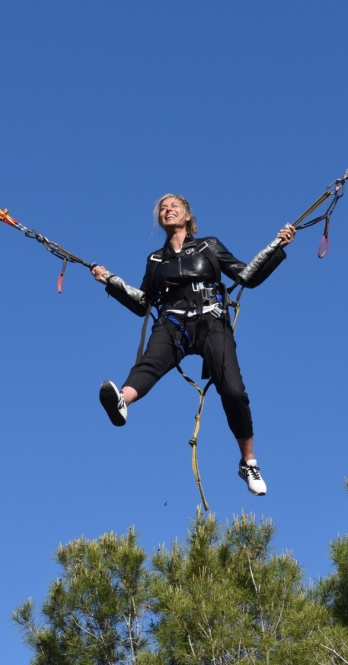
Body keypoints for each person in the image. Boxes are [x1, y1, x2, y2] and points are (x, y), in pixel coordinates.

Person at [91, 194, 295, 496]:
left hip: (211, 319)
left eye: (174, 206)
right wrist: (110, 279)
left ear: (188, 216)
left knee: (233, 390)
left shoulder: (208, 246)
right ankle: (122, 400)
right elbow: (143, 302)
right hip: (173, 322)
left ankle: (248, 461)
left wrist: (276, 246)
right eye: (163, 208)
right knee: (150, 362)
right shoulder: (156, 260)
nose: (167, 209)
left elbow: (245, 275)